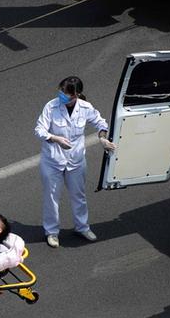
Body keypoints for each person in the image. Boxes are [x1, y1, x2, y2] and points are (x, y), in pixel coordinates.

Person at [34, 76, 116, 248]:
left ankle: (82, 227)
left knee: (79, 196)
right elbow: (39, 130)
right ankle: (52, 232)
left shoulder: (86, 108)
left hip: (76, 161)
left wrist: (102, 139)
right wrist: (55, 138)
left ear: (76, 94)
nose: (62, 95)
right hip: (52, 161)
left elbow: (101, 123)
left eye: (66, 93)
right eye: (61, 91)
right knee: (52, 198)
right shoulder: (51, 106)